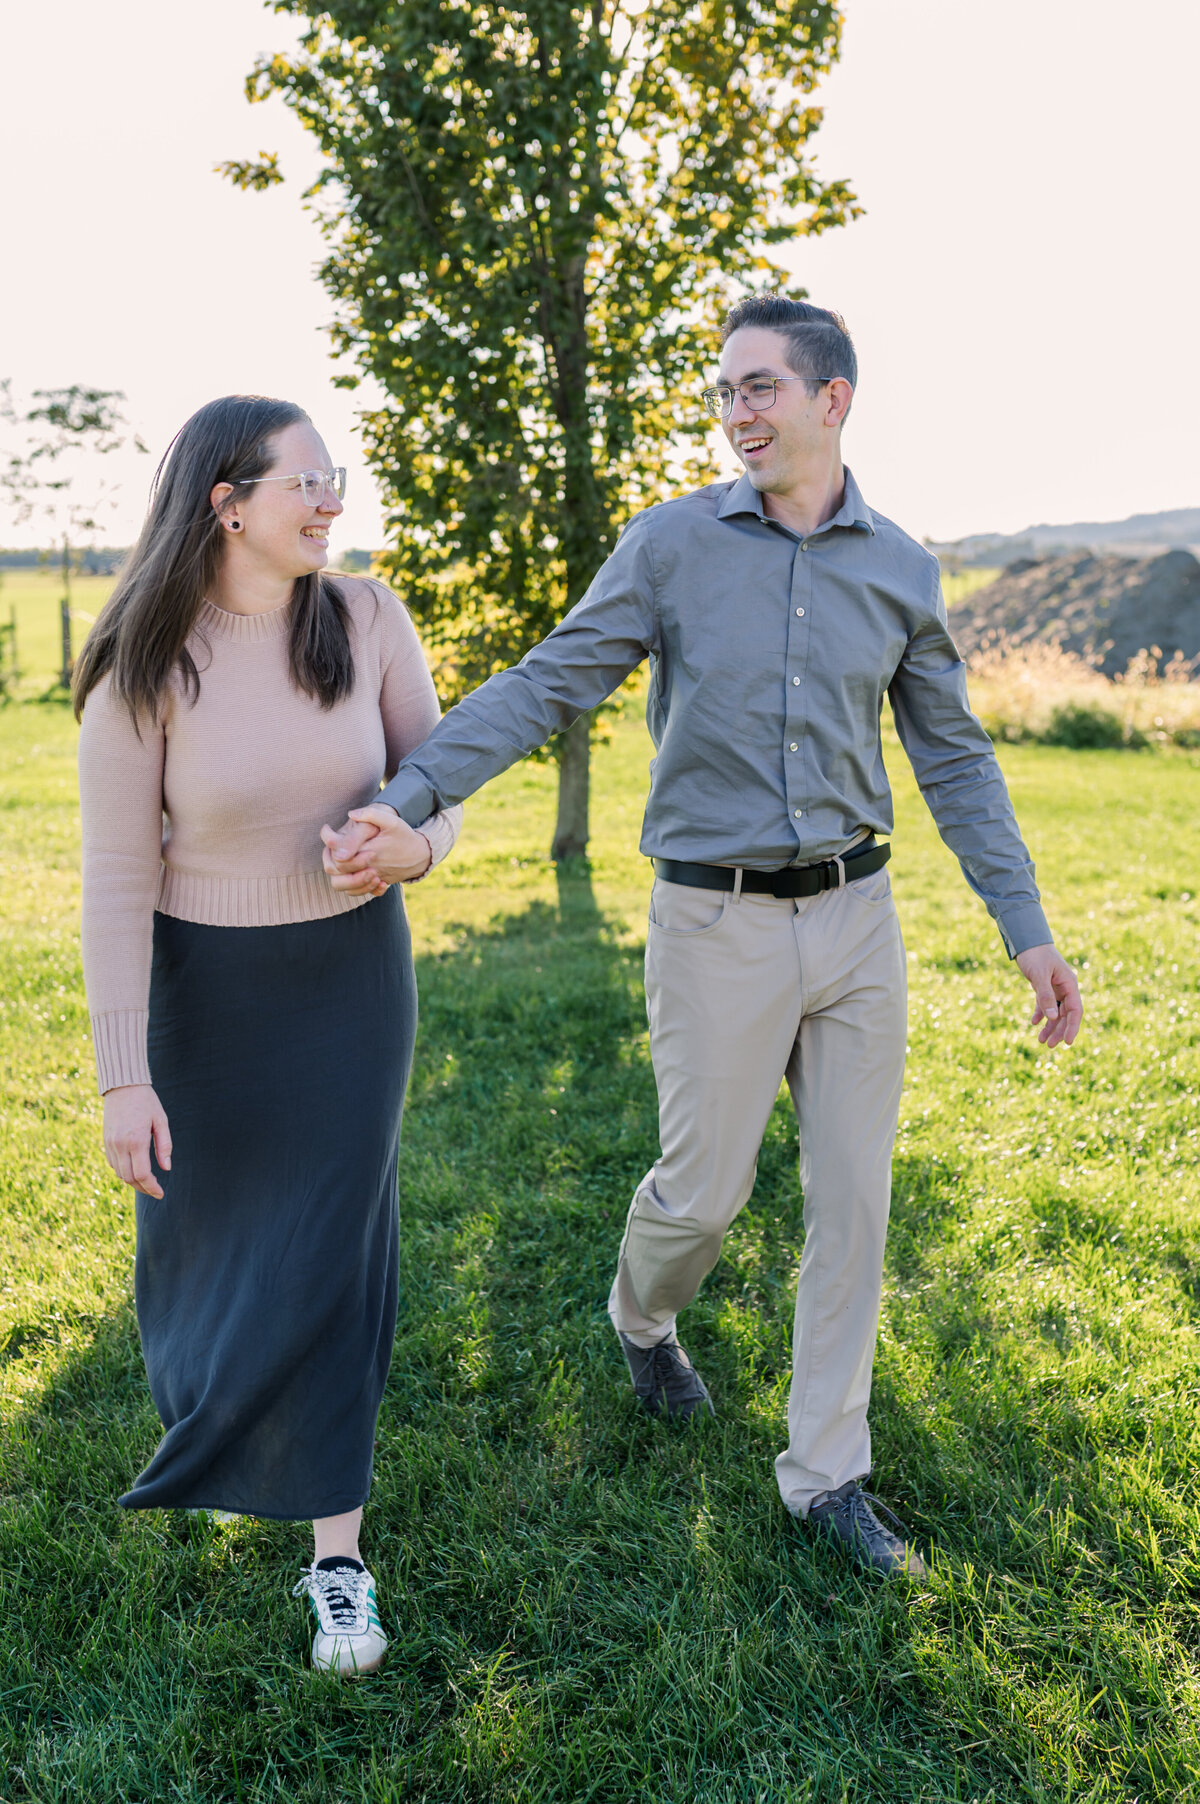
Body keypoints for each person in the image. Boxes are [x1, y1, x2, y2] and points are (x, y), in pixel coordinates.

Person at [324, 297, 1083, 1580]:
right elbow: (550, 681)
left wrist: (1028, 929)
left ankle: (824, 1472)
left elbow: (953, 758)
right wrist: (409, 799)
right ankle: (643, 1312)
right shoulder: (670, 546)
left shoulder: (901, 566)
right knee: (704, 1191)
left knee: (854, 1200)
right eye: (726, 390)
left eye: (761, 389)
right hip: (713, 920)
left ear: (834, 399)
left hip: (856, 919)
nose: (737, 413)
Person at [75, 395, 461, 1674]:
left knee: (336, 1257)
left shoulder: (366, 617)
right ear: (226, 502)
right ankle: (226, 1430)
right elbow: (118, 881)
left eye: (334, 475)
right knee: (208, 1249)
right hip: (204, 994)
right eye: (308, 479)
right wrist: (123, 1076)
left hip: (350, 987)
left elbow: (437, 781)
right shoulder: (144, 658)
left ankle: (338, 1558)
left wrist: (414, 845)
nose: (332, 500)